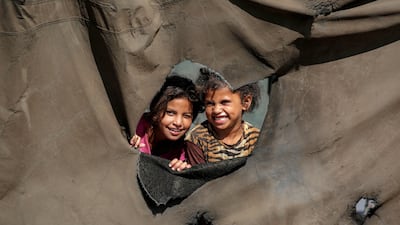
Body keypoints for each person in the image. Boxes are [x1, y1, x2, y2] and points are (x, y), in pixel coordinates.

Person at [169, 68, 261, 170]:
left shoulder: (257, 138)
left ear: (245, 102)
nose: (216, 110)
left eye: (224, 102)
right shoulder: (198, 139)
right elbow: (200, 178)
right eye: (210, 103)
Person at [130, 75, 202, 171]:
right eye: (170, 113)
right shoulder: (134, 129)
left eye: (186, 116)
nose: (178, 122)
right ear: (156, 112)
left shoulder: (181, 151)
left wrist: (179, 170)